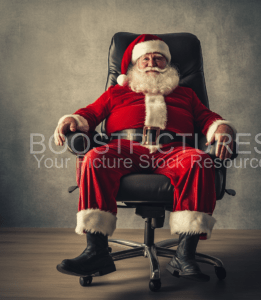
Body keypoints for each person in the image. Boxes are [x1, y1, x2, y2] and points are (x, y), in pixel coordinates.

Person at [54, 34, 236, 281]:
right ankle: (97, 252)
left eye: (158, 58)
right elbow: (89, 114)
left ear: (168, 64)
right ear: (134, 65)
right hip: (125, 147)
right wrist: (71, 120)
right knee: (96, 158)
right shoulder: (116, 92)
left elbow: (209, 119)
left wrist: (222, 130)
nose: (152, 62)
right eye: (145, 58)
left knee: (199, 161)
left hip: (172, 149)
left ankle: (184, 255)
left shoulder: (186, 94)